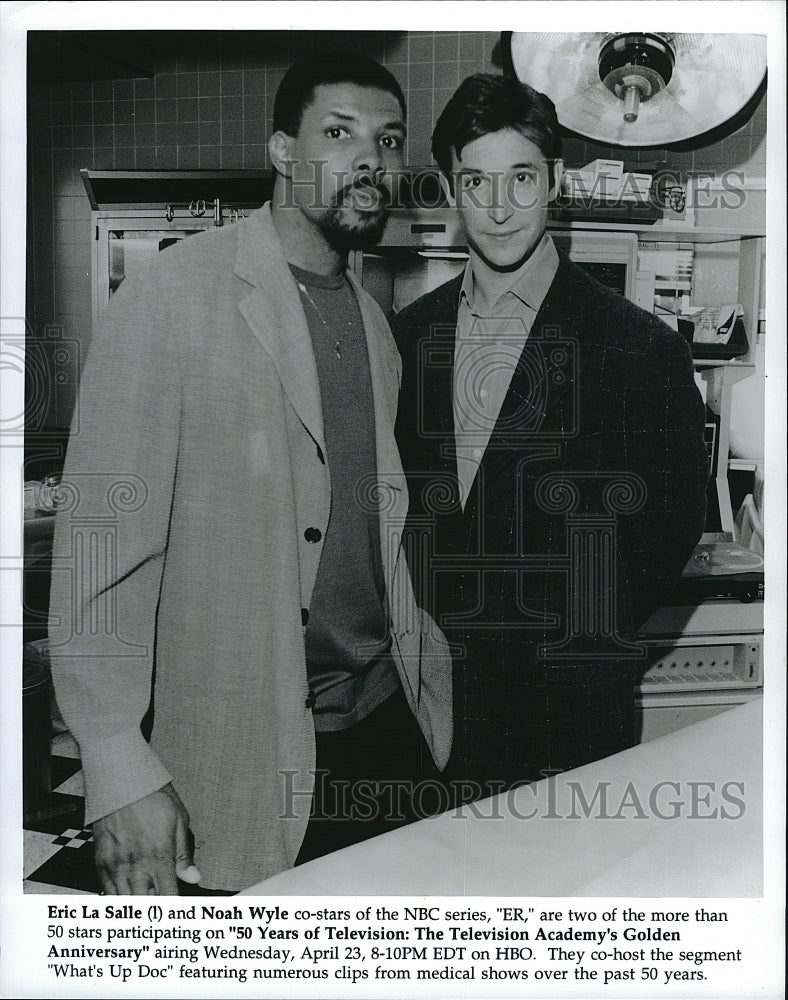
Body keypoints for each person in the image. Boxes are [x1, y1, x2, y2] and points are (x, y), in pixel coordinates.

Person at [48, 53, 452, 895]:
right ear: (280, 149)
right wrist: (117, 761)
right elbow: (99, 550)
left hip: (380, 723)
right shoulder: (170, 299)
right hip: (241, 739)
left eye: (387, 140)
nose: (367, 162)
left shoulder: (376, 326)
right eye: (337, 135)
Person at [393, 74, 708, 800]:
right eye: (476, 180)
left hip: (567, 713)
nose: (499, 208)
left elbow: (670, 524)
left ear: (555, 181)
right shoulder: (407, 336)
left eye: (521, 179)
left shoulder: (637, 346)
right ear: (449, 187)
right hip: (428, 708)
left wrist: (581, 643)